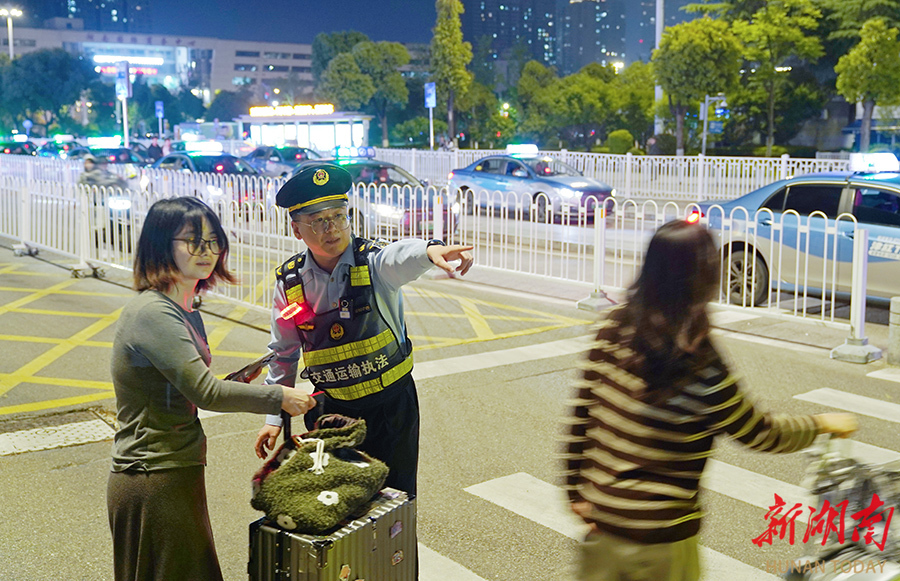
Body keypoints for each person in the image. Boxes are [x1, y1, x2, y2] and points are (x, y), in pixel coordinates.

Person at [562, 220, 858, 581]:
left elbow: (582, 414)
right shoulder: (701, 362)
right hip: (663, 543)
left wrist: (574, 491)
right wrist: (821, 424)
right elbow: (759, 432)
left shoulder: (612, 327)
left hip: (604, 526)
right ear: (702, 278)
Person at [107, 197, 315, 581]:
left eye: (213, 240)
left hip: (176, 465)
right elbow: (206, 393)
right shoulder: (153, 312)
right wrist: (280, 397)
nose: (206, 251)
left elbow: (183, 387)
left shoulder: (184, 306)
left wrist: (238, 382)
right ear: (160, 244)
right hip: (152, 473)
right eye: (192, 241)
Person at [254, 163, 474, 497]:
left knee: (395, 505)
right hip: (331, 412)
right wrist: (273, 417)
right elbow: (283, 354)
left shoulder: (372, 263)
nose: (332, 228)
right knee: (337, 504)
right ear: (297, 230)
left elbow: (398, 257)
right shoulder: (290, 282)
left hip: (391, 410)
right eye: (318, 221)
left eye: (338, 216)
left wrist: (429, 251)